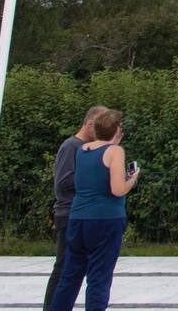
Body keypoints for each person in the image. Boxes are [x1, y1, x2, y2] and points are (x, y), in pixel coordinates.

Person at [47, 109, 138, 311]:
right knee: (99, 277)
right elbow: (117, 189)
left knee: (70, 275)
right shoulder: (115, 151)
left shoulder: (82, 149)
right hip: (105, 218)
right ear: (115, 131)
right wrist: (132, 179)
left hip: (78, 217)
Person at [44, 106, 109, 308]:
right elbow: (63, 182)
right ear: (89, 124)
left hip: (84, 214)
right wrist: (95, 178)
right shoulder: (71, 146)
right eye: (99, 127)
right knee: (64, 268)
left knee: (77, 268)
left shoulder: (87, 148)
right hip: (68, 213)